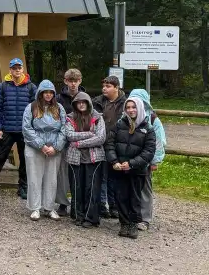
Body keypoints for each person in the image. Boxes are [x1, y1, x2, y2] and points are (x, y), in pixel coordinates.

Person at [105, 97, 156, 239]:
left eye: (133, 107)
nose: (131, 110)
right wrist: (114, 161)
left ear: (139, 108)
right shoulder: (119, 124)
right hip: (119, 169)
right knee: (120, 197)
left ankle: (133, 223)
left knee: (134, 198)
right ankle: (124, 223)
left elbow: (148, 151)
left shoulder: (148, 128)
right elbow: (110, 144)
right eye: (128, 107)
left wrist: (132, 163)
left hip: (136, 170)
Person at [0, 58, 37, 199]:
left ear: (22, 69)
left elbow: (35, 110)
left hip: (25, 130)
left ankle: (23, 187)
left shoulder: (31, 87)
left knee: (25, 160)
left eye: (19, 68)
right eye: (14, 68)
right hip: (6, 129)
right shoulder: (2, 87)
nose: (17, 70)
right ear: (10, 70)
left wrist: (33, 128)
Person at [22, 80, 66, 221]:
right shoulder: (32, 107)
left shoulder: (59, 108)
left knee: (51, 178)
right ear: (40, 93)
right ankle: (35, 208)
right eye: (45, 92)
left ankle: (49, 207)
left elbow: (64, 129)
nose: (48, 95)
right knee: (34, 177)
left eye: (50, 92)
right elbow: (27, 128)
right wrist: (41, 145)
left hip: (53, 148)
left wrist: (56, 147)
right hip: (35, 147)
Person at [63, 93, 106, 228]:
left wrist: (79, 143)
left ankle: (91, 217)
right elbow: (69, 135)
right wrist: (89, 134)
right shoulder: (70, 118)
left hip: (94, 158)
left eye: (84, 102)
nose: (81, 104)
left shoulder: (97, 117)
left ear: (88, 103)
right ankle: (78, 214)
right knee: (77, 187)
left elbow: (100, 138)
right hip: (75, 158)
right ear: (75, 104)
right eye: (78, 102)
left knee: (91, 188)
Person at [127, 89, 166, 230]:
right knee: (129, 188)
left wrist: (155, 161)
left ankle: (145, 218)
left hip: (145, 161)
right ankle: (130, 216)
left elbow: (159, 142)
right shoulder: (125, 118)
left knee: (145, 189)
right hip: (129, 161)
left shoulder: (153, 120)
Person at [92, 76, 126, 218]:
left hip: (118, 144)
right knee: (102, 176)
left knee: (115, 176)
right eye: (103, 85)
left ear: (116, 87)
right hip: (100, 143)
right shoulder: (97, 102)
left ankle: (114, 206)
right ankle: (102, 204)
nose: (104, 88)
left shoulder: (126, 103)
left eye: (108, 86)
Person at [54, 68, 85, 215]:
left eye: (76, 81)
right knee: (62, 173)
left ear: (80, 81)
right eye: (70, 81)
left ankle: (77, 202)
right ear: (65, 81)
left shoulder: (85, 98)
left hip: (79, 141)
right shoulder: (58, 99)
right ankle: (62, 203)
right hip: (63, 140)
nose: (73, 84)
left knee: (77, 173)